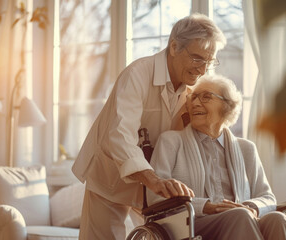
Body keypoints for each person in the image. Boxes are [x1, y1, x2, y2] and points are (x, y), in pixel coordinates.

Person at [71, 13, 227, 240]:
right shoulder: (137, 75)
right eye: (196, 59)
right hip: (111, 176)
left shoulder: (192, 91)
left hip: (152, 186)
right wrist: (154, 179)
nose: (202, 70)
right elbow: (120, 135)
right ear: (174, 47)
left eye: (209, 62)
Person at [147, 75, 286, 240]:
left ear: (227, 106)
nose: (195, 103)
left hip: (243, 219)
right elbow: (156, 197)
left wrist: (252, 208)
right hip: (192, 225)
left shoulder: (246, 149)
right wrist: (207, 207)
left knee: (278, 219)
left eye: (206, 97)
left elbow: (268, 198)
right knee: (239, 216)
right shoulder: (171, 141)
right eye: (193, 97)